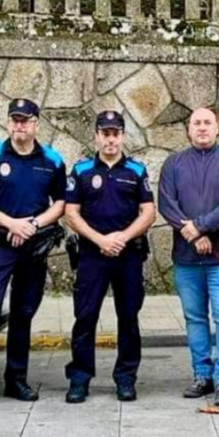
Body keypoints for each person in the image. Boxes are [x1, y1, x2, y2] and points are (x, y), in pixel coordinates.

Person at [0, 98, 67, 411]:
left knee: (23, 313)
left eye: (26, 120)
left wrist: (33, 225)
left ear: (36, 124)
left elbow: (60, 203)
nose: (19, 125)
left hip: (33, 246)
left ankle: (16, 379)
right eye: (15, 120)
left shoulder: (52, 160)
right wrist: (12, 224)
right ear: (8, 123)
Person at [63, 111, 156, 403]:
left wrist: (122, 238)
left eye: (116, 133)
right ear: (96, 136)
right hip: (92, 255)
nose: (111, 139)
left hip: (127, 255)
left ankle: (126, 379)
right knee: (85, 317)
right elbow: (70, 213)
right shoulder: (81, 171)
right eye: (105, 133)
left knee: (128, 318)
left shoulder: (136, 171)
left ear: (123, 136)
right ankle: (79, 379)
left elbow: (149, 212)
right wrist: (100, 239)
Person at [158, 107, 219, 406]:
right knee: (195, 318)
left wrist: (200, 226)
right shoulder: (173, 164)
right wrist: (195, 234)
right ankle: (202, 375)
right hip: (186, 258)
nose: (202, 128)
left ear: (217, 127)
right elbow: (166, 203)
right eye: (196, 123)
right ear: (188, 128)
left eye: (207, 122)